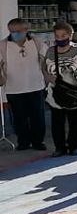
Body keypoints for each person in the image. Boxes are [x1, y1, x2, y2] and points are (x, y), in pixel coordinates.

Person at [42, 21, 77, 156]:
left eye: (63, 35)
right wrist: (48, 77)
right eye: (57, 36)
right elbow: (44, 67)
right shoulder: (50, 51)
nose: (60, 38)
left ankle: (74, 146)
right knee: (57, 122)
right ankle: (59, 148)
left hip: (76, 92)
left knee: (75, 121)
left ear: (70, 35)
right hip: (56, 93)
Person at [1, 17, 48, 150]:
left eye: (18, 31)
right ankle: (23, 142)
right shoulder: (3, 45)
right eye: (12, 31)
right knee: (18, 118)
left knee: (37, 117)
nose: (15, 34)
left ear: (26, 30)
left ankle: (38, 141)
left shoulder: (36, 42)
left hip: (36, 86)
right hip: (14, 88)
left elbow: (47, 59)